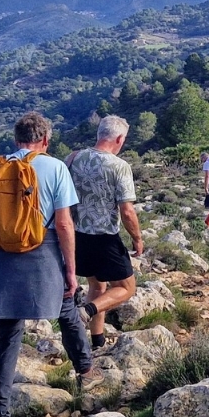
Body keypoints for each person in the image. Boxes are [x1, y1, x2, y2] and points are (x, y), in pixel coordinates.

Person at [0, 112, 91, 417]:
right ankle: (87, 375)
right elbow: (64, 225)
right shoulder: (56, 167)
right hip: (43, 253)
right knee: (66, 311)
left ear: (17, 139)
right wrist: (71, 271)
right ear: (45, 140)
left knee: (7, 340)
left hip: (3, 257)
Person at [65, 115, 144, 350]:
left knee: (97, 288)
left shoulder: (73, 158)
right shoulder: (118, 166)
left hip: (78, 235)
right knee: (126, 288)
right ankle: (85, 311)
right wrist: (137, 238)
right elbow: (127, 211)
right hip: (105, 238)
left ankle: (96, 343)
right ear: (119, 139)